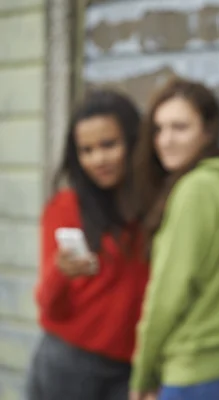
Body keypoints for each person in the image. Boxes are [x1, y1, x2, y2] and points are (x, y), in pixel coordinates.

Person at [129, 78, 219, 400]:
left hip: (195, 374)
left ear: (208, 130)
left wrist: (142, 376)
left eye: (180, 127)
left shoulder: (195, 190)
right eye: (159, 129)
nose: (165, 140)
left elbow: (166, 296)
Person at [27, 90, 149, 400]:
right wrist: (60, 272)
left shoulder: (152, 206)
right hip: (69, 362)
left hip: (131, 368)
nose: (98, 159)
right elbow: (47, 304)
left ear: (134, 142)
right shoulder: (65, 207)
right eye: (86, 150)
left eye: (109, 145)